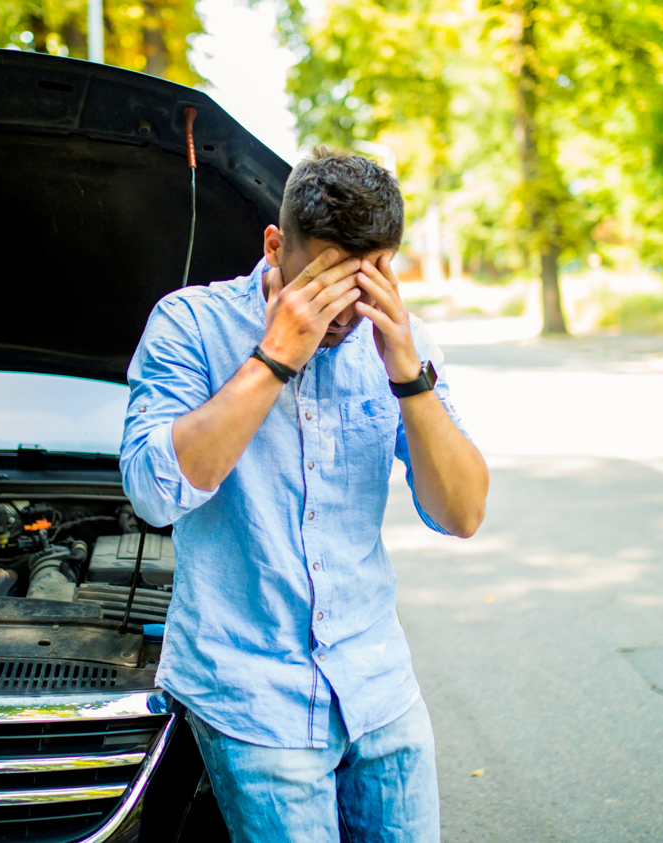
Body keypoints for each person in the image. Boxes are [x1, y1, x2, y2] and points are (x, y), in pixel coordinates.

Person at [120, 147, 489, 842]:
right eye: (324, 279)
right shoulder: (189, 326)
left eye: (367, 280)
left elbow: (462, 512)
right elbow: (154, 492)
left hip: (379, 686)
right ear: (273, 247)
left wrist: (409, 374)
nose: (345, 310)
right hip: (252, 696)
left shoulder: (400, 343)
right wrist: (274, 358)